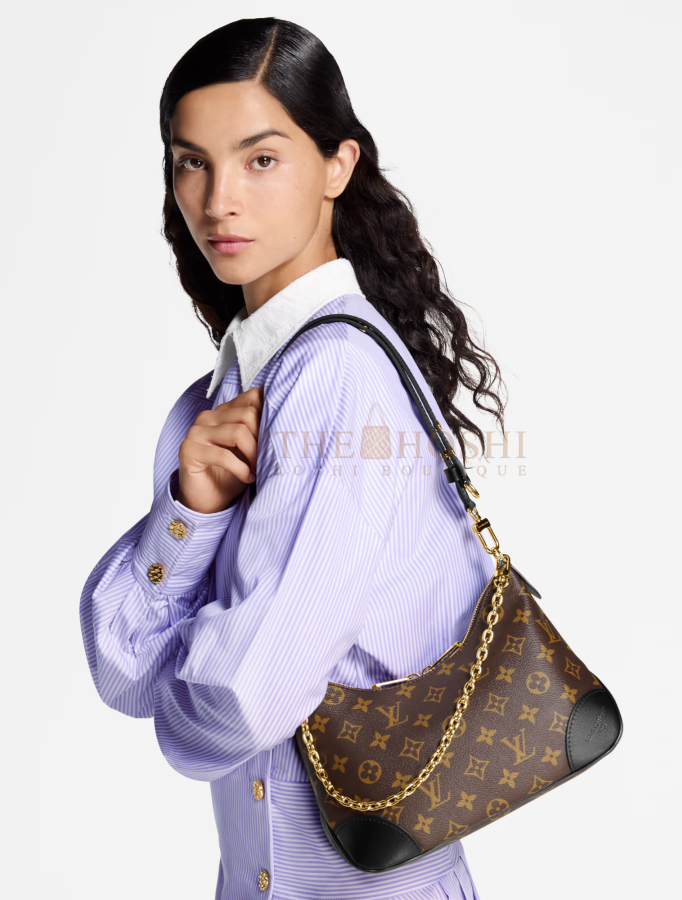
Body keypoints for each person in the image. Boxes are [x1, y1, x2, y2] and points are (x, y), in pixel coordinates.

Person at [79, 17, 507, 900]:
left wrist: (179, 695)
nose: (218, 200)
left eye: (261, 159)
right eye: (191, 162)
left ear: (337, 165)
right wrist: (190, 511)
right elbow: (120, 666)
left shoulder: (335, 374)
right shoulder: (217, 402)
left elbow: (244, 701)